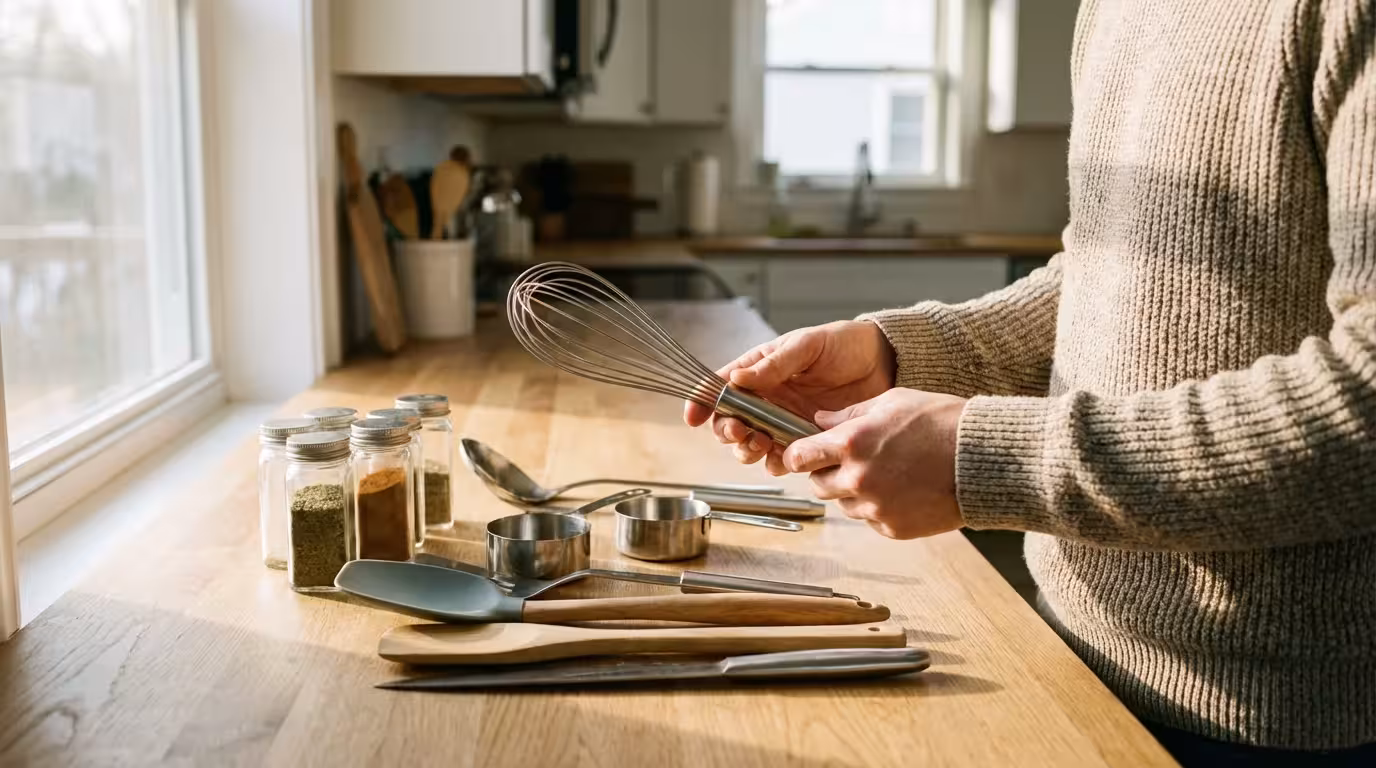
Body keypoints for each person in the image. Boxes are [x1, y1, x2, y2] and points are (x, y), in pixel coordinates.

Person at [686, 1, 1375, 764]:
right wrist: (899, 353)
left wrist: (987, 459)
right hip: (1064, 649)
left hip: (1280, 719)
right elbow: (1108, 274)